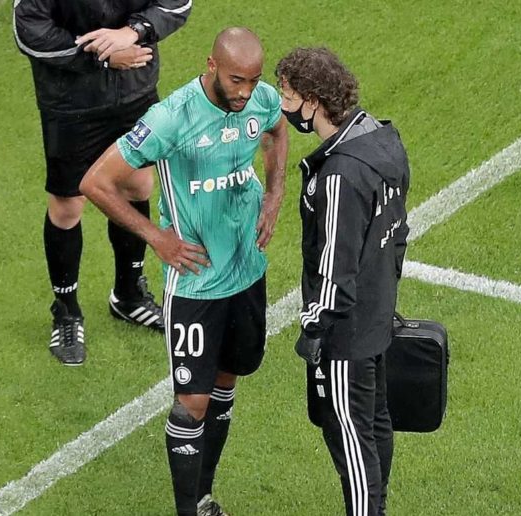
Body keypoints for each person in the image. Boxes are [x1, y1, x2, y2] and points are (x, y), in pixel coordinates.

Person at [81, 27, 288, 516]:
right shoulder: (171, 117)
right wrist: (157, 237)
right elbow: (96, 182)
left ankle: (203, 497)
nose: (246, 92)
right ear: (212, 66)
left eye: (253, 80)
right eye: (237, 80)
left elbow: (277, 130)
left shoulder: (261, 99)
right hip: (196, 284)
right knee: (191, 403)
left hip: (247, 270)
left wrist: (275, 193)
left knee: (226, 382)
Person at [13, 0, 193, 366]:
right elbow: (29, 31)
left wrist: (133, 32)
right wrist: (103, 57)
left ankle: (128, 294)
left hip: (134, 91)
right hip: (70, 103)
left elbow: (178, 4)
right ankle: (66, 311)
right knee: (68, 205)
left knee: (138, 186)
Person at [277, 47, 410, 516]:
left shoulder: (339, 176)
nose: (283, 106)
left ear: (313, 102)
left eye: (288, 96)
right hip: (377, 314)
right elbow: (398, 232)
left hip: (346, 332)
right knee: (374, 423)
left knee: (351, 439)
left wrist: (313, 328)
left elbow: (335, 270)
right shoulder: (383, 138)